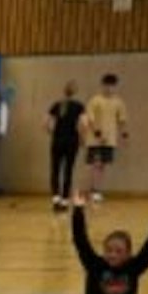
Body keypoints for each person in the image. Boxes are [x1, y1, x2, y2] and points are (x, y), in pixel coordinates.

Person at [82, 73, 128, 204]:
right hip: (95, 140)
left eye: (112, 86)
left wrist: (124, 135)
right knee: (95, 164)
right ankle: (93, 191)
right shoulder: (95, 100)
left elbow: (122, 120)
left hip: (110, 139)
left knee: (102, 166)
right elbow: (90, 119)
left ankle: (96, 190)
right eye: (107, 85)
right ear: (102, 86)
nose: (109, 88)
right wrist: (98, 134)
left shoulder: (118, 102)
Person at [46, 82, 86, 211]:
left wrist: (53, 133)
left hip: (58, 141)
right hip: (72, 141)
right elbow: (83, 124)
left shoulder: (56, 105)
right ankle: (65, 200)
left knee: (55, 169)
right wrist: (82, 138)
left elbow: (47, 124)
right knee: (68, 170)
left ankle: (55, 198)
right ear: (75, 92)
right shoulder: (79, 106)